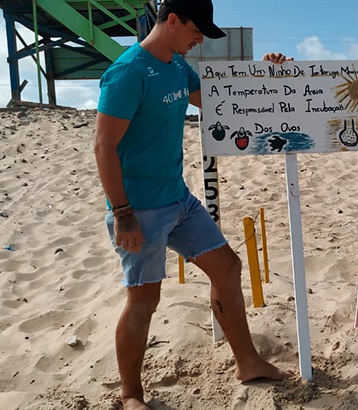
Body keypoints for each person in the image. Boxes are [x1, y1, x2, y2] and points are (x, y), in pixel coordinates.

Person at [94, 0, 293, 408]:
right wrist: (122, 214)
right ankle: (131, 395)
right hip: (140, 209)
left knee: (228, 267)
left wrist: (269, 72)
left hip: (179, 200)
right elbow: (104, 146)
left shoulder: (177, 66)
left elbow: (221, 100)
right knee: (144, 299)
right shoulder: (127, 73)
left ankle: (247, 361)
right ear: (172, 21)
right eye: (196, 30)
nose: (200, 39)